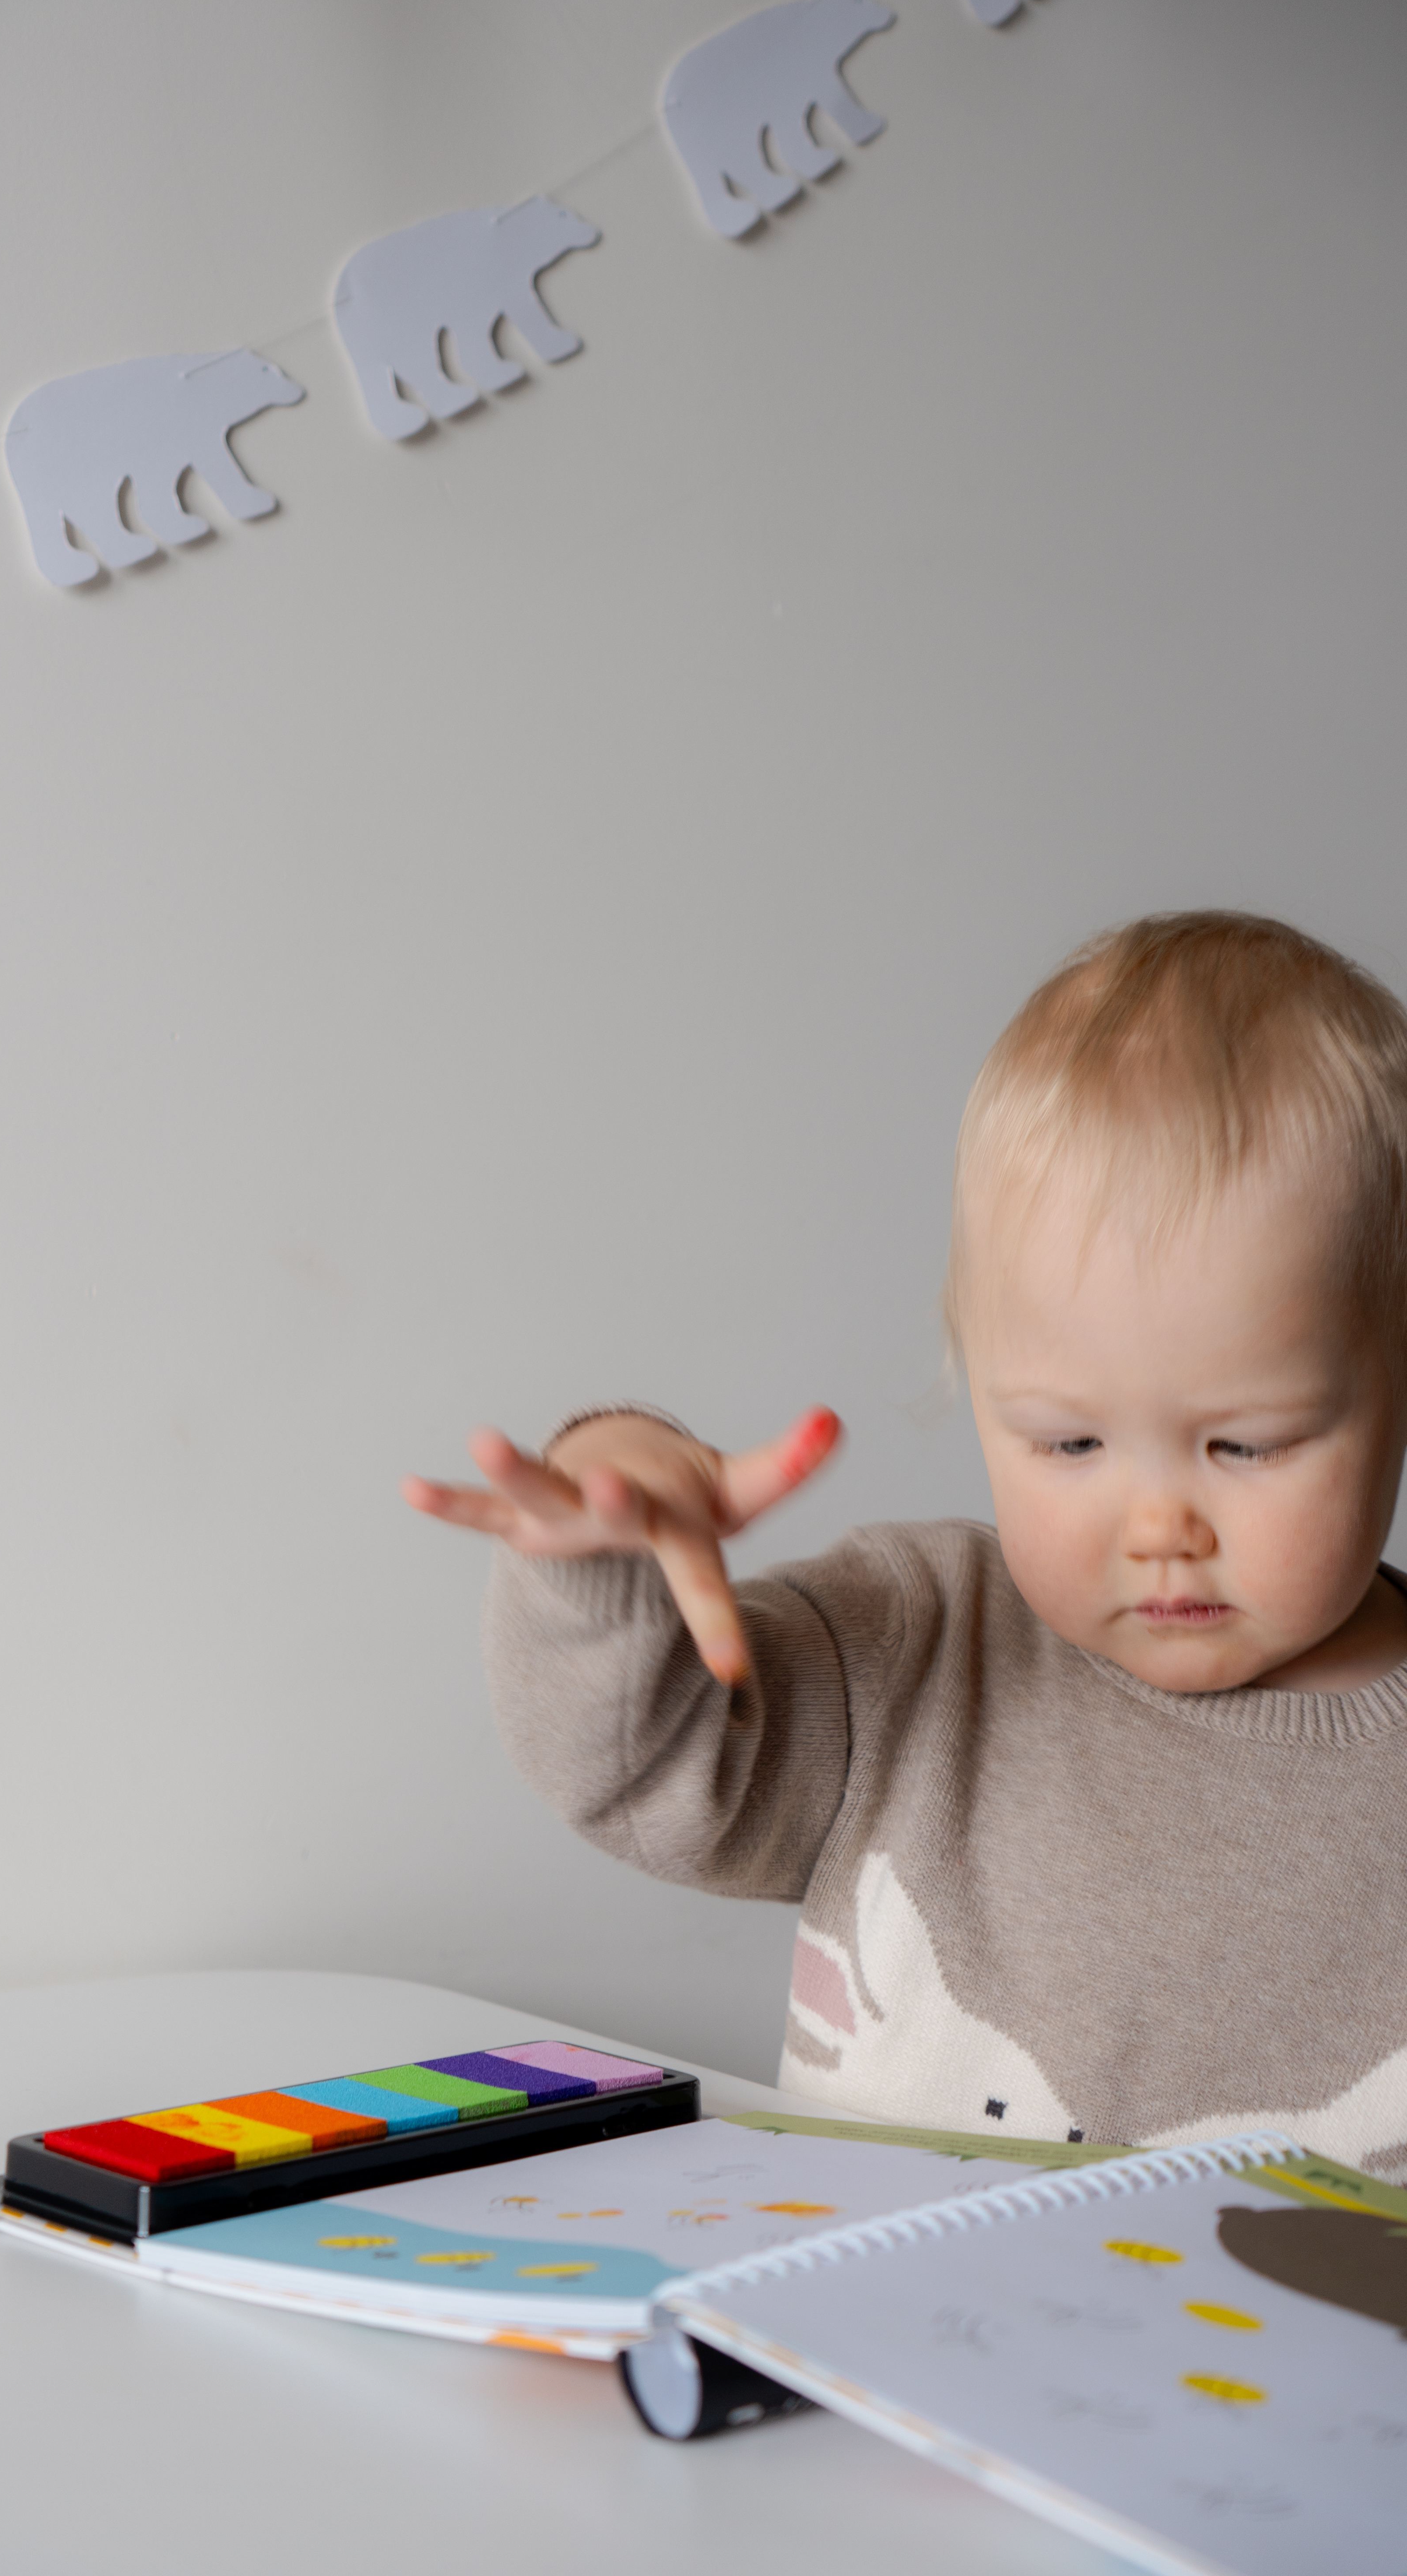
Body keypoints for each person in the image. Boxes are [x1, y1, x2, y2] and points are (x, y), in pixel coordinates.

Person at [404, 913, 1407, 2172]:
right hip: (867, 2358)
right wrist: (611, 1556)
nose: (1162, 1528)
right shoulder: (918, 1648)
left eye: (1245, 1445)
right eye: (1069, 1445)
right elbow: (641, 1776)